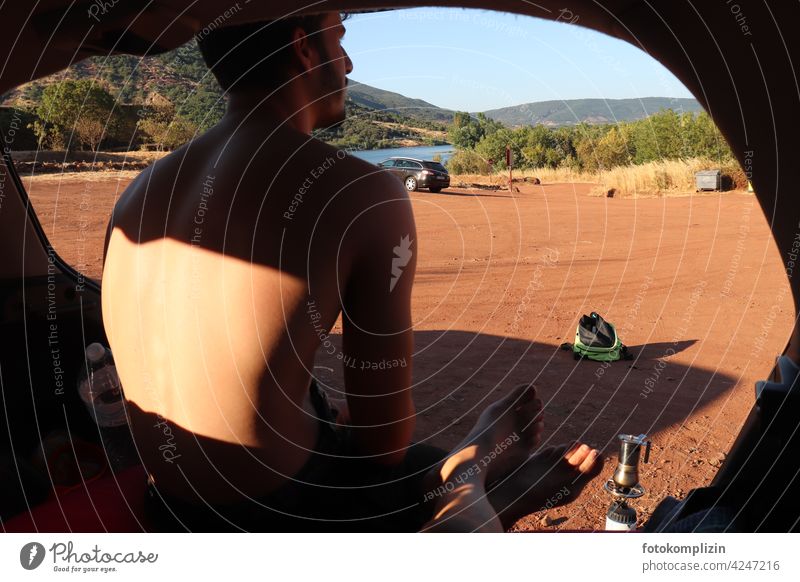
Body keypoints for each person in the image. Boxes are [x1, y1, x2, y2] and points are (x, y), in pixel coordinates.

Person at [101, 11, 600, 532]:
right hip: (283, 511)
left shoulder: (136, 195)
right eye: (339, 39)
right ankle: (473, 475)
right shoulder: (360, 192)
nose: (349, 61)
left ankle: (471, 486)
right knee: (421, 465)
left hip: (169, 505)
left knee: (330, 419)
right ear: (304, 47)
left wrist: (310, 410)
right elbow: (382, 442)